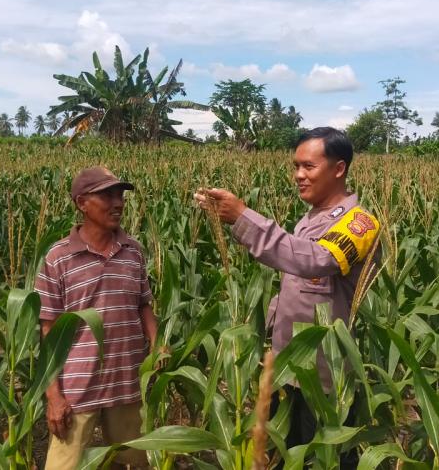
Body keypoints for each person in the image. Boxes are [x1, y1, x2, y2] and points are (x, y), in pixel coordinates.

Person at [194, 127, 380, 467]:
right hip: (287, 372)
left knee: (323, 459)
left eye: (308, 167)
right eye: (295, 166)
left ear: (339, 169)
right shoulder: (308, 221)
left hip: (325, 379)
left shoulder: (360, 223)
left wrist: (243, 217)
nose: (298, 176)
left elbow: (316, 259)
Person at [36, 166, 157, 470]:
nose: (118, 203)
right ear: (81, 203)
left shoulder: (134, 252)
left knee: (135, 463)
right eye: (107, 195)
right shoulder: (58, 258)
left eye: (120, 195)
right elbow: (48, 329)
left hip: (127, 383)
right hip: (77, 391)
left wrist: (157, 346)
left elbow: (144, 305)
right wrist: (53, 396)